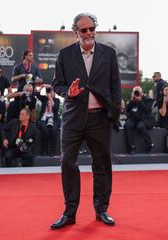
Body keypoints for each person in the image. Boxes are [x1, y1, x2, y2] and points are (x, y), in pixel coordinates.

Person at [51, 13, 121, 229]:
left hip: (100, 118)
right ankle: (69, 213)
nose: (89, 33)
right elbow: (56, 85)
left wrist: (114, 111)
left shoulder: (108, 54)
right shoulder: (65, 55)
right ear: (76, 33)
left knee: (102, 164)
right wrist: (68, 93)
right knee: (68, 163)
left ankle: (102, 210)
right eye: (84, 30)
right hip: (73, 118)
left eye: (91, 28)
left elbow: (115, 84)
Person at [124, 86, 155, 154]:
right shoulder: (132, 100)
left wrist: (140, 101)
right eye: (135, 92)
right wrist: (131, 101)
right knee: (127, 125)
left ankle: (150, 145)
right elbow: (126, 110)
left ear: (142, 92)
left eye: (138, 91)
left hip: (144, 119)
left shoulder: (147, 99)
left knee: (140, 127)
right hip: (133, 119)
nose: (137, 93)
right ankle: (132, 147)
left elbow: (147, 110)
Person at [36, 85, 61, 156]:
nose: (51, 93)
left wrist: (50, 98)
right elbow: (37, 94)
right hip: (43, 118)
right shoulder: (44, 98)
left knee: (54, 131)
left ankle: (53, 151)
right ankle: (44, 150)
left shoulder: (57, 100)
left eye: (52, 91)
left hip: (53, 119)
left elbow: (55, 107)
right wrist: (42, 86)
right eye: (50, 91)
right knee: (45, 130)